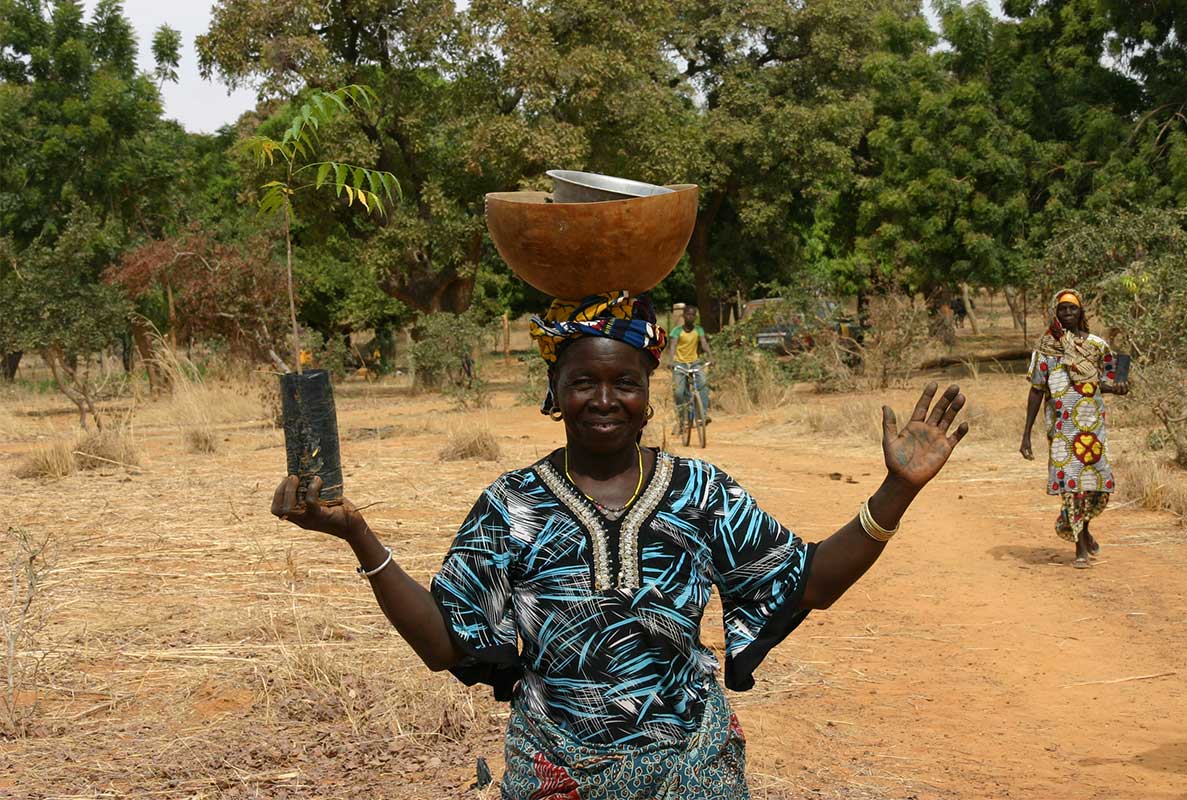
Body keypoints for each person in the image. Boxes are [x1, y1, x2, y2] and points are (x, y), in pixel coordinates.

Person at [270, 291, 969, 798]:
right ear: (554, 392)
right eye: (583, 382)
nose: (604, 399)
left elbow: (805, 580)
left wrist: (896, 491)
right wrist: (357, 536)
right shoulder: (512, 505)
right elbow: (444, 644)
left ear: (647, 394)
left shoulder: (699, 491)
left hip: (691, 765)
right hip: (557, 771)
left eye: (623, 383)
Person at [1020, 288, 1128, 569]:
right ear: (1054, 313)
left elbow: (1105, 381)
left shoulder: (1096, 345)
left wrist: (1120, 387)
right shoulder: (1046, 348)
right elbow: (1036, 390)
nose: (1067, 314)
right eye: (1062, 310)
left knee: (1094, 486)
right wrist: (1026, 435)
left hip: (1092, 426)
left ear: (1081, 312)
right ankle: (1080, 547)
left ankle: (1085, 529)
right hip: (1062, 427)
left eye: (1072, 309)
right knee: (1072, 485)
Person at [669, 303, 713, 423]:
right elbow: (673, 346)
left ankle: (702, 416)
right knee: (679, 392)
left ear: (695, 317)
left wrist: (711, 357)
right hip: (679, 363)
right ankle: (682, 418)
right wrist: (671, 361)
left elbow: (704, 344)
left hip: (694, 362)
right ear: (683, 316)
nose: (690, 317)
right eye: (688, 314)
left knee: (703, 383)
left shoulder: (699, 330)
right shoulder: (676, 331)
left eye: (693, 315)